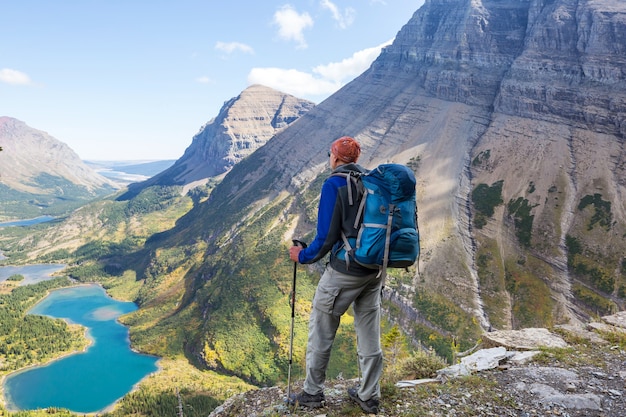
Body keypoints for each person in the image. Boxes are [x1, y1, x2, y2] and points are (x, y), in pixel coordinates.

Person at [288, 136, 383, 414]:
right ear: (356, 158)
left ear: (334, 157)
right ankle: (368, 395)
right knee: (369, 331)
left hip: (344, 271)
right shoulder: (372, 181)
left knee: (321, 329)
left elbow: (326, 238)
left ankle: (312, 394)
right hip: (374, 270)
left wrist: (302, 256)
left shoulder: (334, 184)